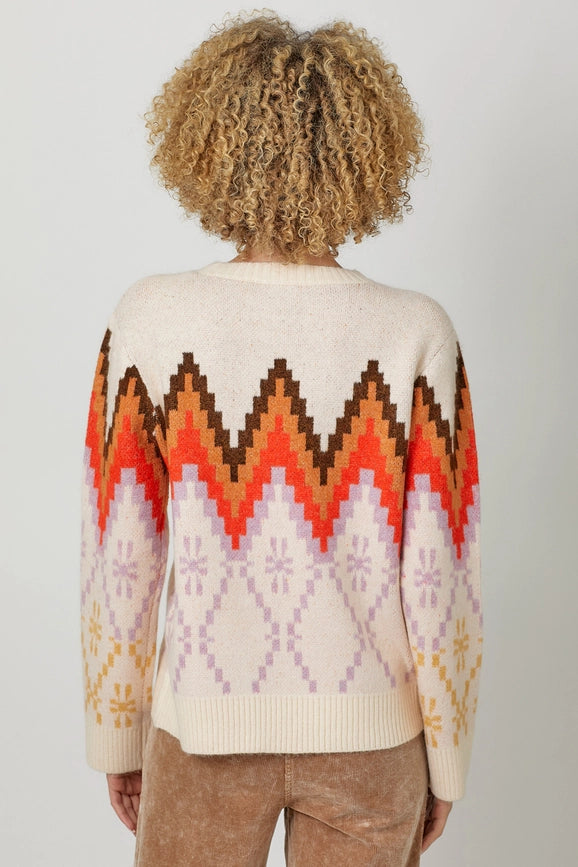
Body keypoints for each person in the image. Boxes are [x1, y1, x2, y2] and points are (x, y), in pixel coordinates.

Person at [79, 9, 483, 865]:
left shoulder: (150, 317)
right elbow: (441, 571)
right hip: (374, 743)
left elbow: (120, 547)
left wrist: (118, 733)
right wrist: (446, 758)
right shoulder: (416, 330)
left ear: (209, 147)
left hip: (200, 730)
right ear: (368, 154)